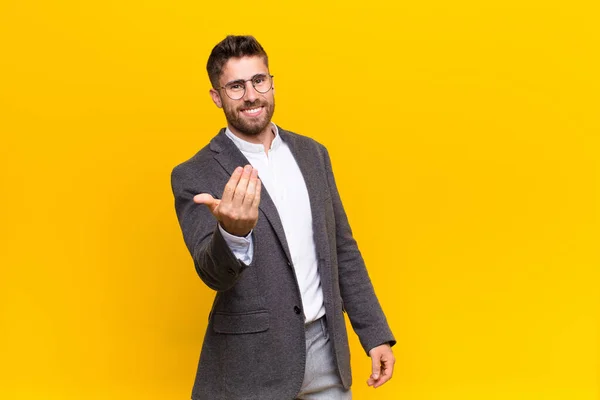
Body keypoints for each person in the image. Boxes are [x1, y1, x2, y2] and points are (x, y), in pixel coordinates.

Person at [171, 35, 395, 400]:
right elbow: (211, 273)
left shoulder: (313, 155)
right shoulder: (194, 175)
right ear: (217, 96)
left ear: (272, 82)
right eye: (236, 86)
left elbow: (342, 249)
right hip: (251, 365)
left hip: (326, 353)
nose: (251, 95)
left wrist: (374, 334)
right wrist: (232, 233)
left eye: (259, 80)